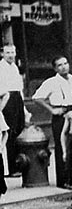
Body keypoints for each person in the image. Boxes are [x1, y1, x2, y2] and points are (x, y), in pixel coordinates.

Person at [33, 55, 72, 189]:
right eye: (60, 65)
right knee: (63, 146)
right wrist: (52, 110)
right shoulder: (51, 82)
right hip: (61, 114)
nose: (64, 67)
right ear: (55, 68)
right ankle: (64, 180)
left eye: (65, 63)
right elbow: (37, 97)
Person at [0, 43, 30, 175]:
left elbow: (19, 89)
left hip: (17, 99)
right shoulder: (1, 68)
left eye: (12, 52)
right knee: (10, 132)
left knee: (19, 129)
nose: (11, 55)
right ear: (2, 54)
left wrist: (24, 108)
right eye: (8, 53)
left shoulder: (15, 68)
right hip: (7, 99)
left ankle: (19, 164)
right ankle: (11, 168)